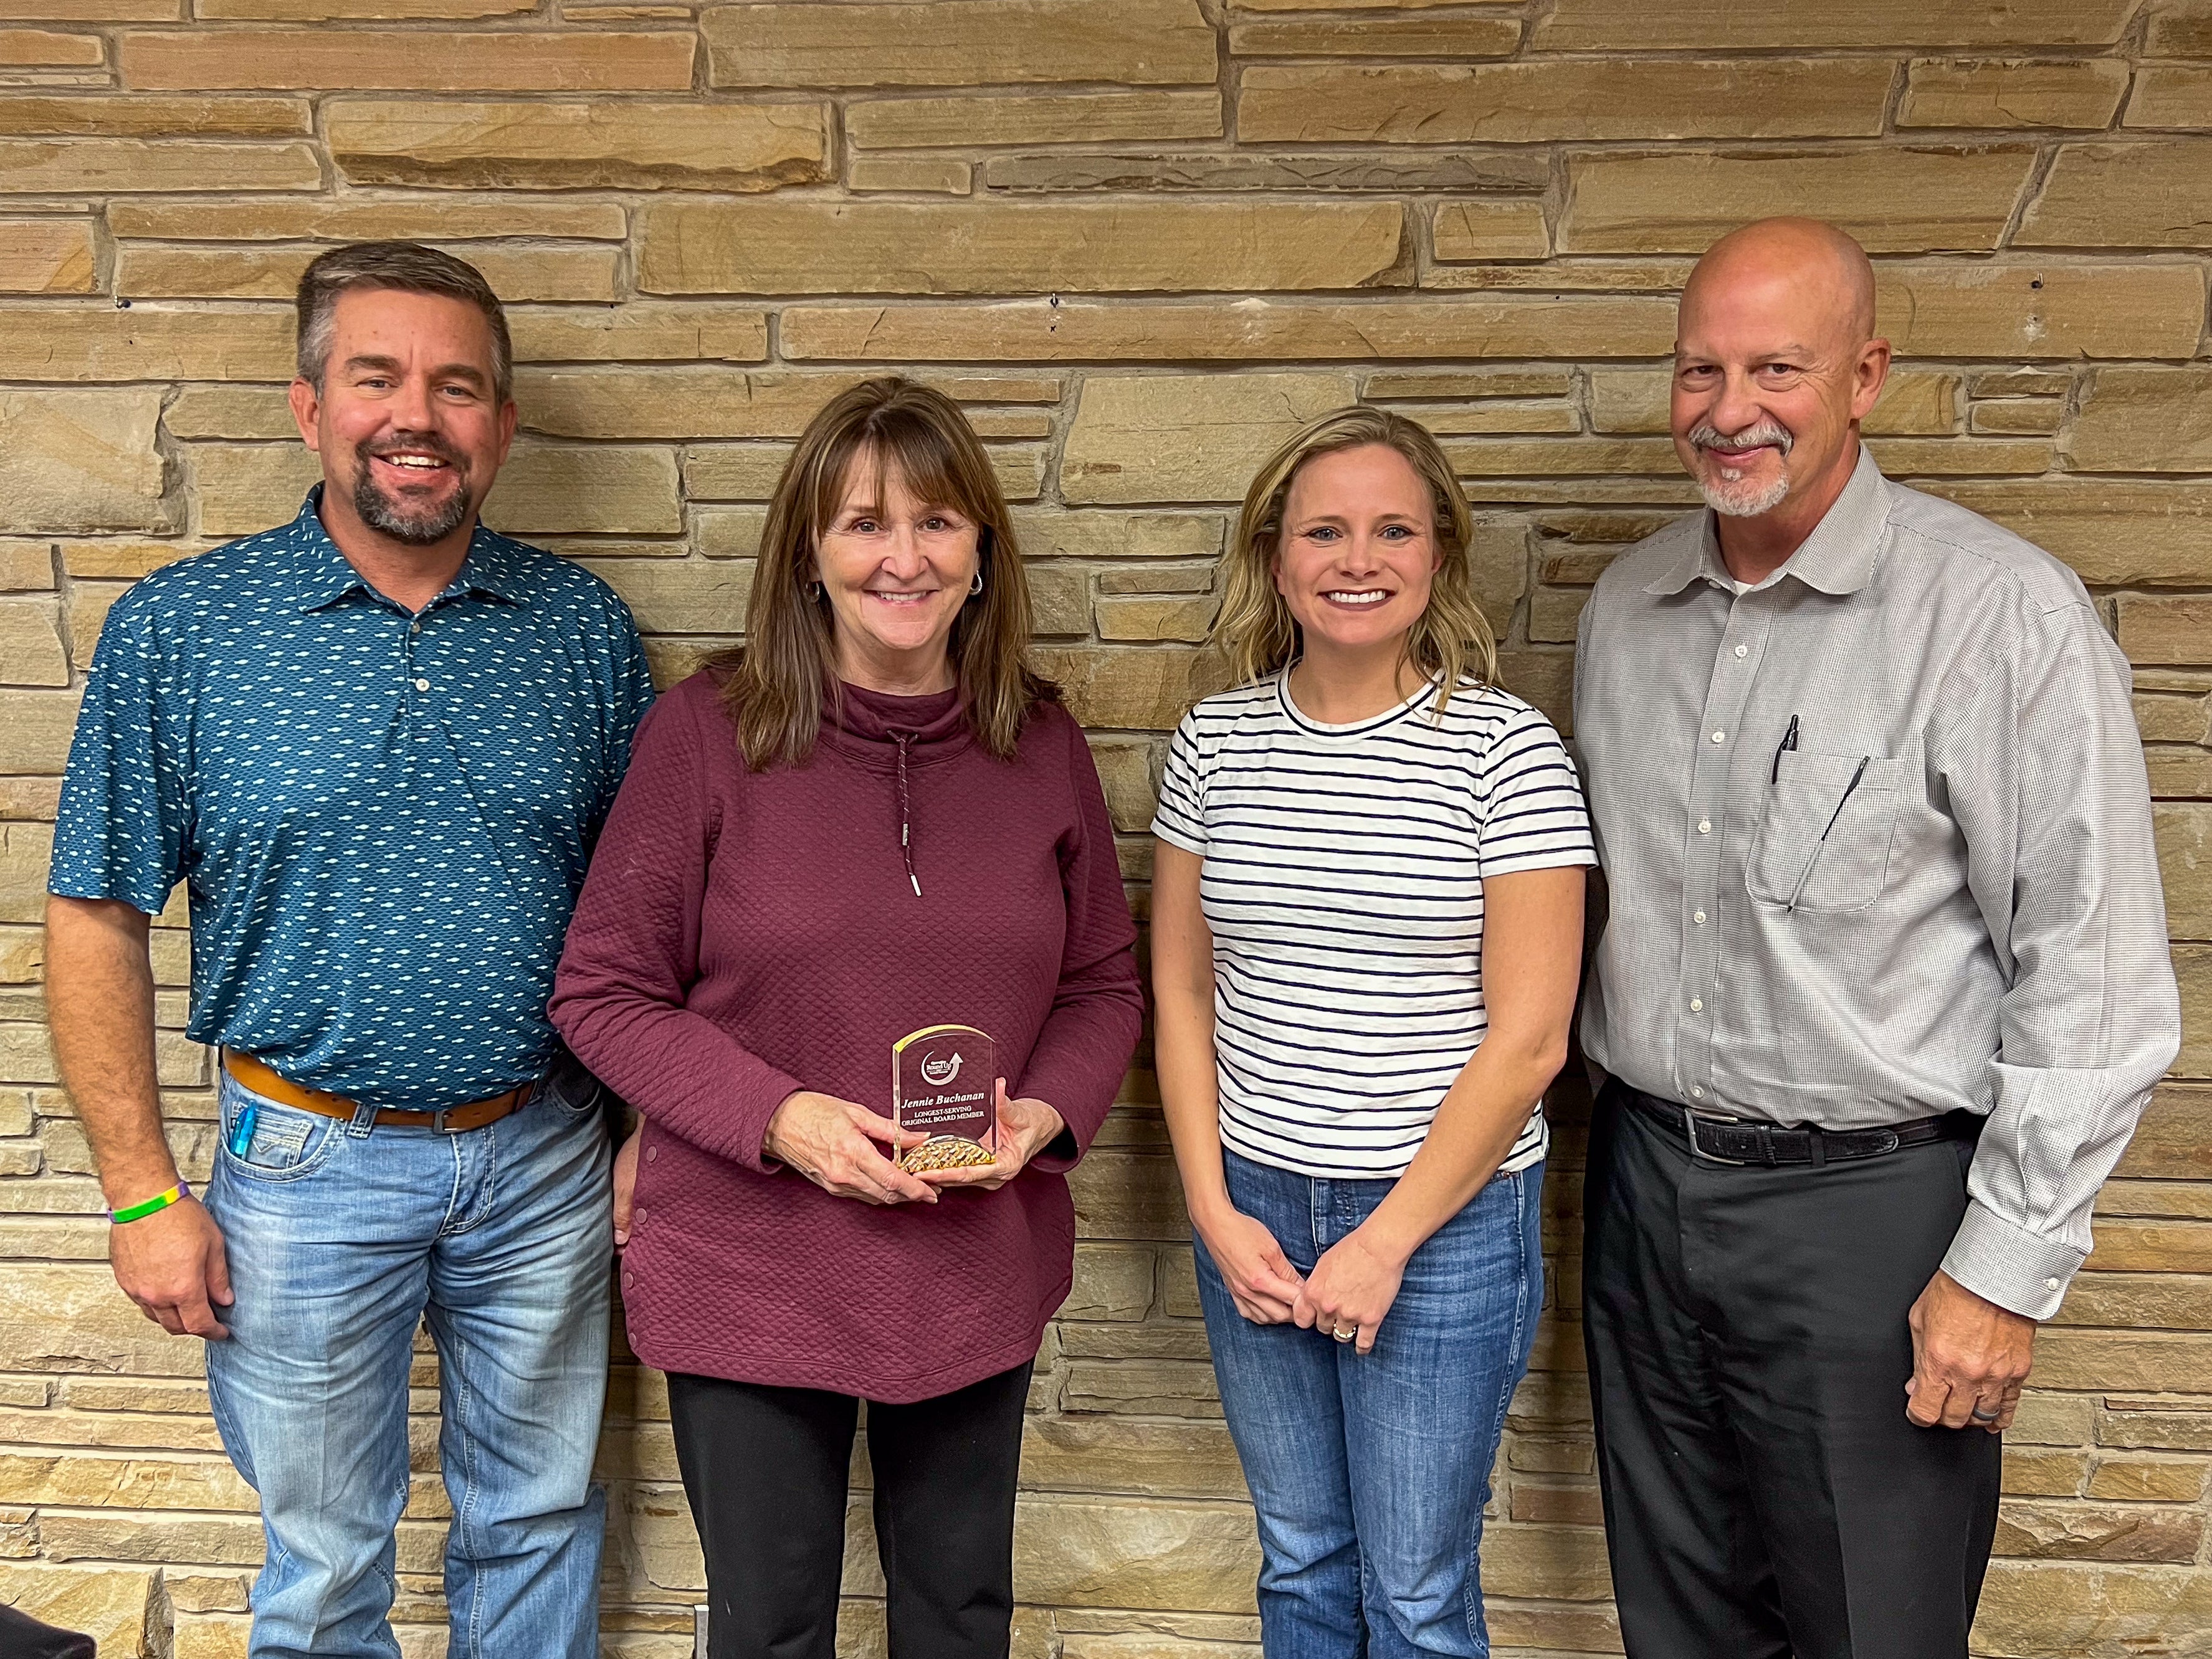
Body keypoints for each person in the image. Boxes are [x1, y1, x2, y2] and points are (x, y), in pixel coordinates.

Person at [1573, 217, 2181, 1659]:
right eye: (1697, 369)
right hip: (1643, 1194)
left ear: (1865, 376)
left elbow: (2091, 970)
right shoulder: (1622, 614)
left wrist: (2001, 1268)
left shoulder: (1997, 618)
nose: (1729, 410)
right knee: (1679, 1628)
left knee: (1874, 1634)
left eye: (1776, 366)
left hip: (1875, 1224)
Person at [44, 242, 654, 1659]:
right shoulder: (185, 632)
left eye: (457, 387)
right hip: (302, 1170)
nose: (417, 417)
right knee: (323, 1563)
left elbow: (655, 919)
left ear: (499, 425)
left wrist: (652, 1136)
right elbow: (95, 915)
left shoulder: (580, 634)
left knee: (543, 1523)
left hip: (549, 1158)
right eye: (376, 376)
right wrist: (140, 1195)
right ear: (311, 404)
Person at [548, 375, 1142, 1659]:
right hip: (749, 1255)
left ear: (982, 551)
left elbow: (1103, 981)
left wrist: (1040, 1118)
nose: (902, 557)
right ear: (807, 555)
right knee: (767, 1629)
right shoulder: (706, 736)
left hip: (974, 1253)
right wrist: (784, 1119)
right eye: (863, 523)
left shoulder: (1037, 745)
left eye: (936, 523)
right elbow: (602, 991)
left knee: (958, 1615)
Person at [1149, 407, 1596, 1658]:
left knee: (1410, 1591)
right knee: (1298, 1561)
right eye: (1325, 530)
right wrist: (1209, 1208)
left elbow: (1529, 1042)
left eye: (1392, 529)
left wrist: (1386, 1240)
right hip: (1252, 1207)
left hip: (1440, 1228)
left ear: (1438, 554)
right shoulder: (1216, 742)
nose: (1359, 558)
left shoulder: (1504, 755)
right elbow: (1181, 994)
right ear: (1275, 557)